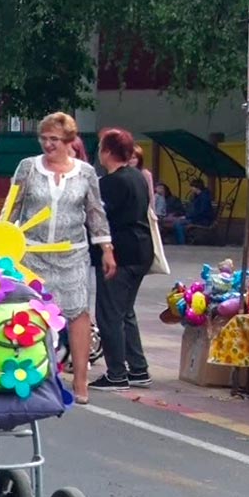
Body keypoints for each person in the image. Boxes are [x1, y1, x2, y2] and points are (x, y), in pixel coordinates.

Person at [7, 112, 113, 404]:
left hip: (73, 252)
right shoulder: (27, 168)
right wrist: (1, 241)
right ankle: (31, 374)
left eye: (54, 139)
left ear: (69, 142)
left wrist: (106, 249)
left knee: (78, 313)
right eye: (44, 138)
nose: (48, 144)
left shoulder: (85, 173)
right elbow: (12, 207)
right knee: (29, 312)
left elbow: (95, 212)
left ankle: (80, 380)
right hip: (33, 252)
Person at [90, 128, 153, 391]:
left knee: (109, 314)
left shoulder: (110, 183)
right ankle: (138, 368)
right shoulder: (137, 177)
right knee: (125, 311)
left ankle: (116, 372)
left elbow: (98, 219)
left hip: (119, 254)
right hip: (141, 251)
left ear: (107, 151)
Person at [166, 178, 214, 244]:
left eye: (192, 187)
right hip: (197, 218)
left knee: (178, 224)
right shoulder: (200, 196)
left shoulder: (203, 197)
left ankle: (181, 243)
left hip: (201, 220)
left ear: (196, 187)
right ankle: (182, 241)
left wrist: (187, 217)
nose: (191, 189)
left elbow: (201, 211)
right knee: (177, 222)